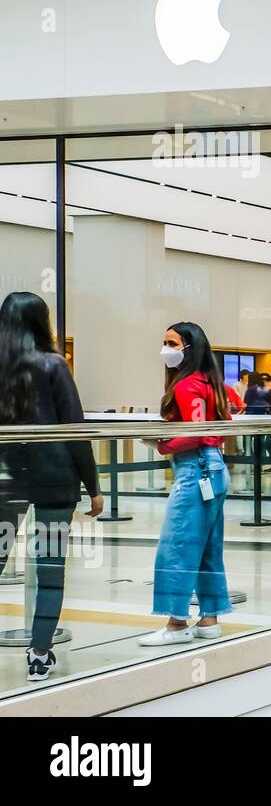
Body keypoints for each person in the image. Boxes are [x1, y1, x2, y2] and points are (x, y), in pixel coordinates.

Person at [0, 292, 102, 682]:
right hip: (54, 481)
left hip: (7, 481)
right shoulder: (53, 365)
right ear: (42, 323)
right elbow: (75, 431)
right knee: (50, 569)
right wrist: (93, 485)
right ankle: (39, 653)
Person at [139, 321, 233, 646]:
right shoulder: (211, 382)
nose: (165, 348)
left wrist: (161, 444)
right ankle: (210, 618)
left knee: (176, 545)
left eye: (172, 343)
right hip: (216, 468)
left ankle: (177, 623)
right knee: (208, 548)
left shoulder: (186, 385)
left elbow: (192, 432)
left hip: (194, 471)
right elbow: (219, 426)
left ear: (189, 348)